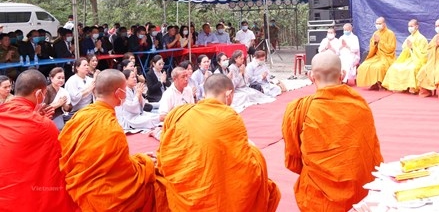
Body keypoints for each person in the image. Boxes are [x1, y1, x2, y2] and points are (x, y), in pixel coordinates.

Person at [156, 74, 281, 211]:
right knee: (267, 182)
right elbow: (242, 162)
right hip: (214, 196)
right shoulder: (229, 117)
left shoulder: (179, 114)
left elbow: (165, 154)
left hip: (187, 191)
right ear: (229, 94)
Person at [282, 53, 383, 211]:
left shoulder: (299, 109)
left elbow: (293, 157)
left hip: (318, 198)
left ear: (311, 76)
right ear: (342, 74)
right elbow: (371, 154)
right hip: (359, 194)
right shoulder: (359, 105)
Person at [59, 69, 166, 211]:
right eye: (124, 90)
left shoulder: (80, 116)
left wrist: (133, 159)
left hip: (80, 188)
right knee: (160, 185)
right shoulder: (111, 129)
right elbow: (126, 175)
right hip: (105, 196)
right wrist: (145, 162)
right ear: (119, 94)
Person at [0, 69, 78, 211]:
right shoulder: (42, 125)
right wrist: (37, 119)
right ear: (39, 94)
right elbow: (59, 163)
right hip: (28, 200)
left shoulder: (3, 112)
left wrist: (34, 115)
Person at [382, 19, 428, 93]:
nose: (410, 28)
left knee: (411, 69)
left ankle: (412, 88)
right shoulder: (409, 38)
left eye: (411, 26)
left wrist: (412, 47)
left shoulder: (422, 39)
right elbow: (405, 52)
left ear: (416, 26)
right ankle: (400, 87)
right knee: (394, 67)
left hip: (418, 60)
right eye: (409, 26)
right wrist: (408, 48)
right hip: (409, 59)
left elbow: (424, 55)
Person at [356, 17, 397, 90]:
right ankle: (374, 84)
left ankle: (382, 83)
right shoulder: (375, 33)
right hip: (377, 56)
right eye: (377, 23)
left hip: (387, 56)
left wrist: (380, 42)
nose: (378, 25)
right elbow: (371, 47)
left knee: (378, 67)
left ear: (384, 24)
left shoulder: (390, 33)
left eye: (380, 23)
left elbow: (391, 48)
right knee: (363, 66)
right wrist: (375, 43)